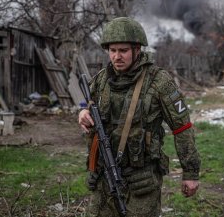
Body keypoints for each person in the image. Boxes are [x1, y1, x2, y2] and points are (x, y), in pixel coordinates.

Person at [78, 17, 201, 217]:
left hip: (142, 179)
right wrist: (83, 113)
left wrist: (191, 173)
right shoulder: (101, 79)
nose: (117, 56)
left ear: (137, 50)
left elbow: (182, 128)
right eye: (112, 50)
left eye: (123, 51)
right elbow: (87, 104)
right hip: (103, 175)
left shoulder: (159, 82)